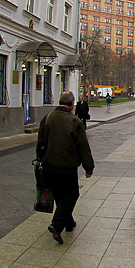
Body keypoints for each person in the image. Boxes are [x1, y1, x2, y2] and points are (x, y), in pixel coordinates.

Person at [36, 91, 94, 244]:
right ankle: (56, 225)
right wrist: (89, 168)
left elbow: (40, 143)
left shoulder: (47, 118)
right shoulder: (75, 122)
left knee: (60, 196)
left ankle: (69, 223)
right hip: (67, 168)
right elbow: (83, 147)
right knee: (71, 195)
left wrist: (40, 160)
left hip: (48, 166)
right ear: (72, 104)